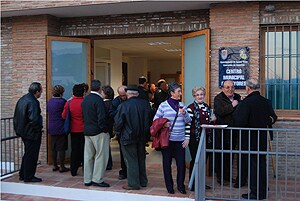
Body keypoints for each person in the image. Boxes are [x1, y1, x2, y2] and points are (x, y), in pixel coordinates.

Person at [233, 78, 277, 200]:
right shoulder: (265, 101)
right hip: (262, 139)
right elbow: (273, 117)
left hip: (249, 140)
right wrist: (264, 122)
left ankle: (255, 194)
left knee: (253, 167)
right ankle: (262, 192)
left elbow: (240, 121)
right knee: (261, 165)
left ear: (247, 88)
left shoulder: (246, 103)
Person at [153, 82, 192, 194]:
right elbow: (155, 121)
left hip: (180, 141)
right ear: (171, 93)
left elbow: (188, 121)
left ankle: (181, 185)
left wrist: (184, 113)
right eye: (178, 91)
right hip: (167, 140)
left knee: (181, 164)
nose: (180, 93)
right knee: (167, 164)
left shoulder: (182, 104)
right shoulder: (163, 105)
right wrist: (164, 124)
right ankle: (169, 186)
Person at [114, 85, 151, 190]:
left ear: (127, 94)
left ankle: (133, 183)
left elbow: (118, 123)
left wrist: (118, 134)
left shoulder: (123, 106)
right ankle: (143, 181)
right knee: (141, 158)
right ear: (137, 94)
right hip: (142, 137)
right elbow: (149, 120)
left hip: (127, 137)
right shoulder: (145, 104)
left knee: (131, 160)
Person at [186, 86, 215, 190]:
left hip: (206, 137)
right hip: (195, 138)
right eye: (197, 95)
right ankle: (193, 184)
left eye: (201, 94)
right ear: (194, 96)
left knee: (203, 161)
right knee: (196, 160)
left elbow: (208, 121)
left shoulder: (207, 107)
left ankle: (201, 182)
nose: (200, 96)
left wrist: (213, 120)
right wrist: (187, 138)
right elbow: (188, 124)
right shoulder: (190, 108)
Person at [82, 80, 110, 187]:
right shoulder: (98, 100)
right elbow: (101, 117)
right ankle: (97, 179)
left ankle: (87, 179)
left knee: (88, 156)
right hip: (98, 131)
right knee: (101, 156)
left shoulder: (86, 99)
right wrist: (104, 129)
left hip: (87, 131)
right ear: (100, 88)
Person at [13, 82, 43, 182]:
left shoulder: (22, 99)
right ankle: (29, 176)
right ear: (37, 91)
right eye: (41, 91)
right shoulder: (33, 102)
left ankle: (23, 174)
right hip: (31, 133)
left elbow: (16, 117)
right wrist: (38, 130)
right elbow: (34, 119)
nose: (41, 93)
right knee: (32, 155)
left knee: (27, 154)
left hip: (24, 132)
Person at [213, 80, 241, 185]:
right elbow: (220, 112)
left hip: (233, 132)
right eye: (227, 87)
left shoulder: (237, 97)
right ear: (222, 88)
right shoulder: (218, 99)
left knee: (230, 155)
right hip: (222, 133)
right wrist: (232, 105)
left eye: (232, 87)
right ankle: (220, 178)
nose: (230, 89)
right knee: (221, 155)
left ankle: (228, 177)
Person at [62, 84, 85, 177]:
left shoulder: (69, 103)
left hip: (73, 129)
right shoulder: (85, 102)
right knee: (84, 150)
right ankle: (85, 170)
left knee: (74, 150)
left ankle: (73, 170)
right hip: (84, 129)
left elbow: (63, 116)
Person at [47, 85, 69, 173]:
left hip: (52, 126)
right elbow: (65, 114)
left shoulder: (49, 102)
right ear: (61, 93)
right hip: (61, 126)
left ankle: (54, 164)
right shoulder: (63, 102)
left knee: (54, 147)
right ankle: (62, 166)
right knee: (61, 148)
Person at [109, 85, 128, 180]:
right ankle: (124, 170)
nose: (123, 97)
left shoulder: (130, 100)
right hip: (122, 130)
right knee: (123, 152)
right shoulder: (116, 102)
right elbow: (111, 113)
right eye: (121, 95)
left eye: (124, 95)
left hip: (129, 129)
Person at [101, 85, 115, 170]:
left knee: (104, 147)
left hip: (105, 127)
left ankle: (108, 163)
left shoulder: (103, 104)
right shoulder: (113, 103)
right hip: (110, 126)